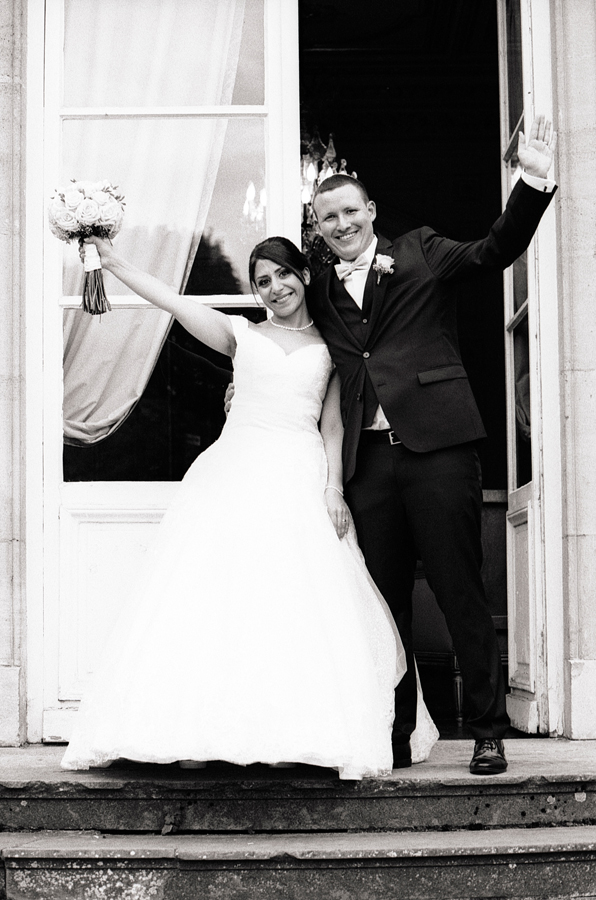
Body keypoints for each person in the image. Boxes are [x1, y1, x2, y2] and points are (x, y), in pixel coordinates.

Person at [61, 235, 439, 779]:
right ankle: (195, 729)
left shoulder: (333, 347)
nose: (274, 288)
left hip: (300, 473)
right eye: (262, 281)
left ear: (303, 276)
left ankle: (296, 732)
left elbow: (332, 424)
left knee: (293, 599)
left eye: (282, 274)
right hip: (234, 470)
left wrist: (333, 489)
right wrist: (114, 259)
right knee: (216, 598)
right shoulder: (243, 335)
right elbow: (173, 300)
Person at [303, 114, 558, 775]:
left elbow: (493, 250)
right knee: (383, 605)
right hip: (368, 464)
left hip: (440, 447)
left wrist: (532, 180)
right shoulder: (318, 293)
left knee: (458, 589)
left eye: (349, 211)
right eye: (327, 217)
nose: (340, 224)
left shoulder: (418, 248)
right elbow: (303, 354)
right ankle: (397, 734)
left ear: (370, 210)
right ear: (319, 226)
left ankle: (488, 730)